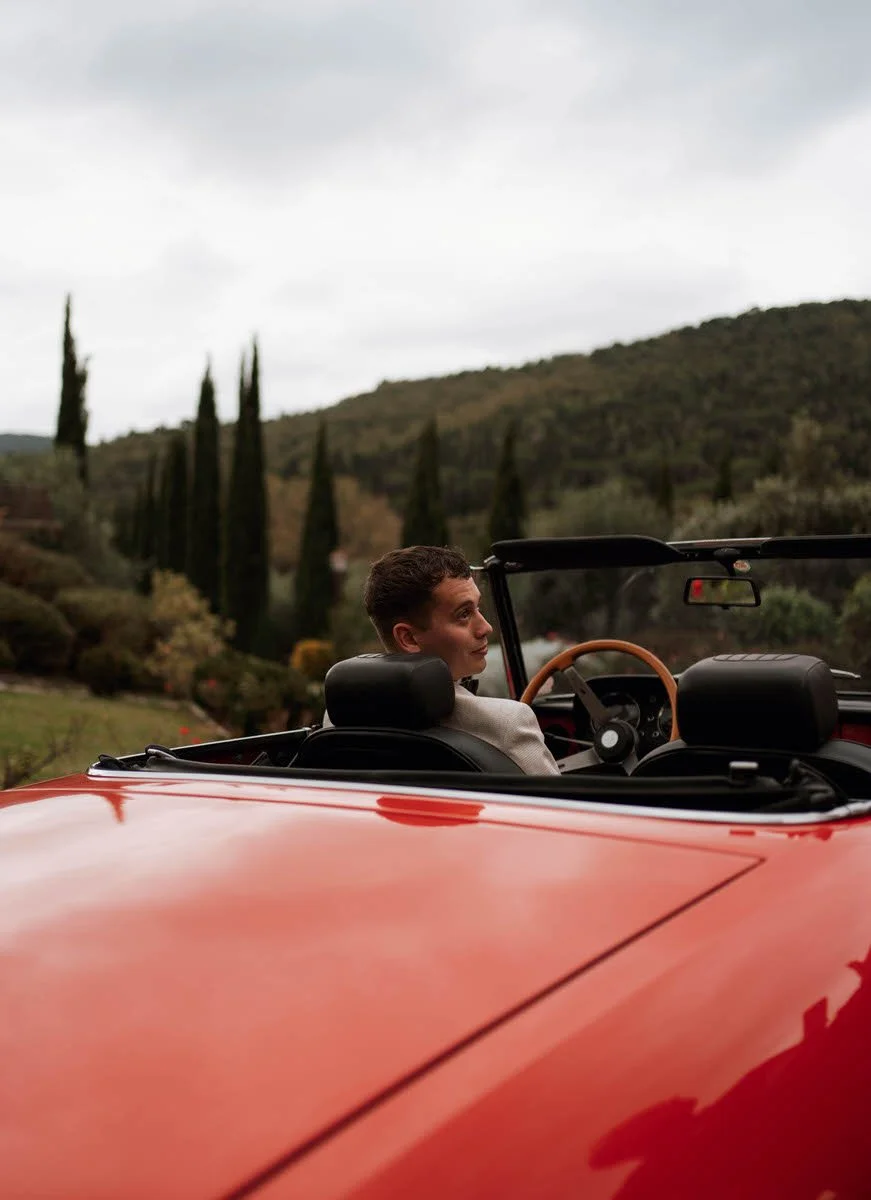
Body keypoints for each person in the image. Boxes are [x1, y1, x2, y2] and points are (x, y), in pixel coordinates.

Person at [337, 545, 560, 775]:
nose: (486, 627)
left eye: (478, 608)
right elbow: (562, 809)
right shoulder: (508, 724)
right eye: (464, 614)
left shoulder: (339, 720)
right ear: (408, 637)